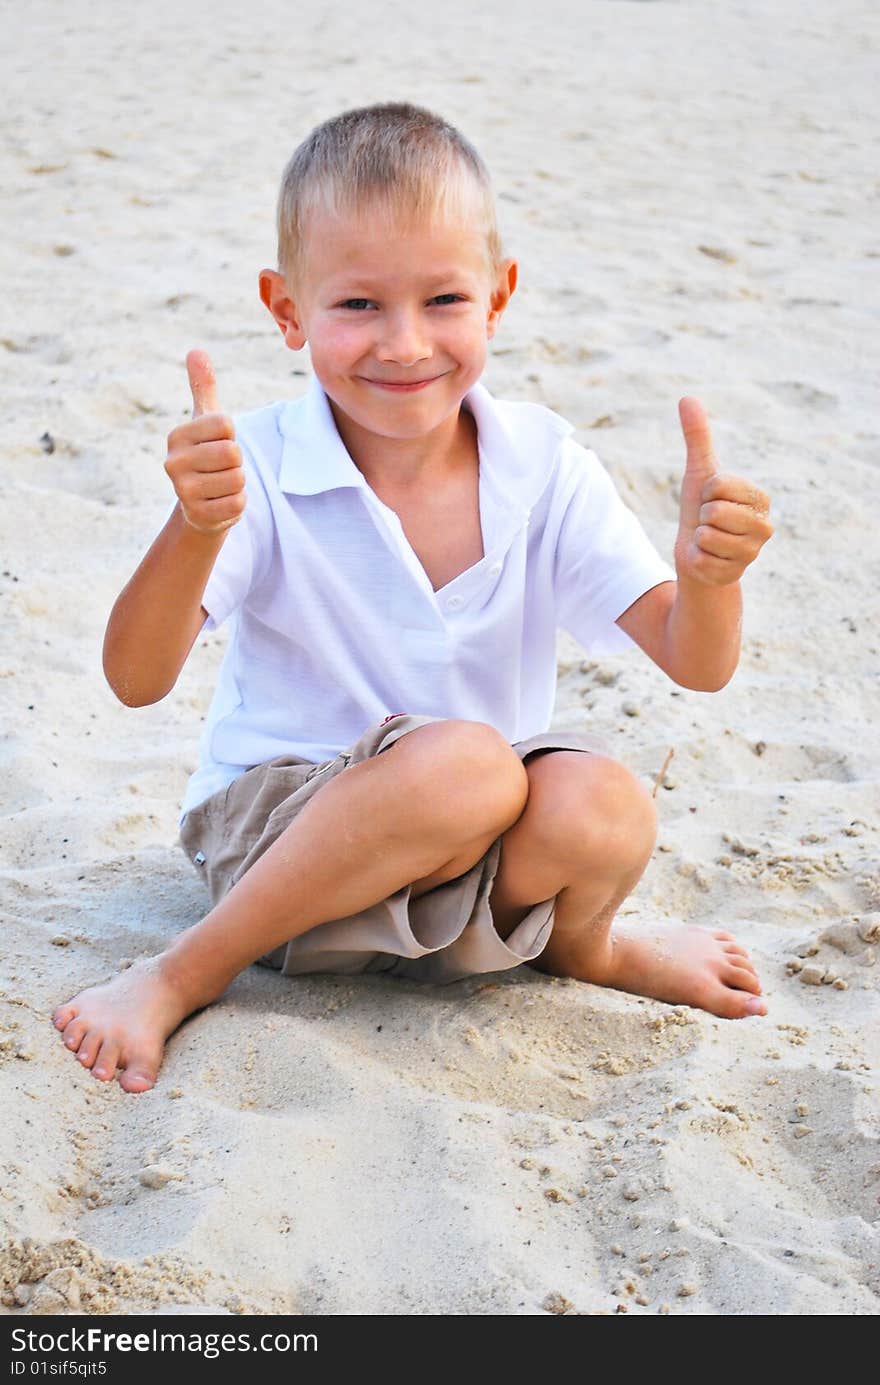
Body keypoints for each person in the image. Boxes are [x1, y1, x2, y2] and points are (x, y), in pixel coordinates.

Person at [53, 102, 773, 1093]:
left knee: (600, 800)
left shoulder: (543, 463)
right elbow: (135, 680)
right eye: (357, 306)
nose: (404, 344)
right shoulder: (257, 461)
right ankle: (184, 971)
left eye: (443, 299)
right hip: (277, 848)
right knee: (471, 767)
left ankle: (587, 950)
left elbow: (697, 660)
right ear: (286, 309)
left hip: (459, 862)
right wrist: (197, 526)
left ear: (498, 296)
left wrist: (708, 579)